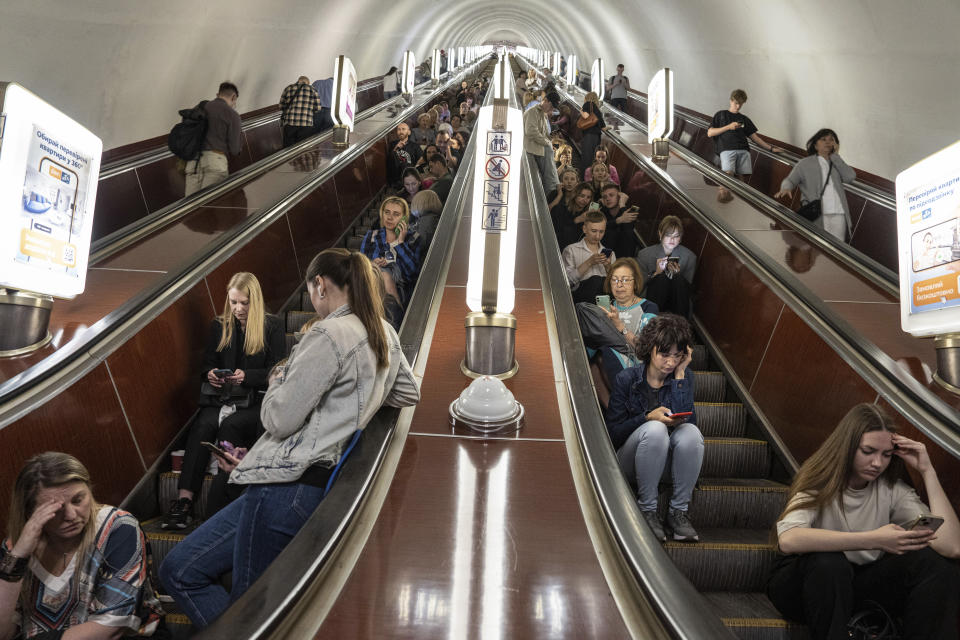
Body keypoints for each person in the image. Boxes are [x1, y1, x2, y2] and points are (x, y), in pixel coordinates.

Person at [160, 249, 421, 628]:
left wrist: (277, 377)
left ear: (319, 284)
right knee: (181, 568)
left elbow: (278, 418)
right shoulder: (385, 332)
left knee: (250, 617)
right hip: (291, 483)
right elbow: (406, 393)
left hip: (283, 491)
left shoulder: (328, 332)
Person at [767, 404, 960, 640]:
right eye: (868, 451)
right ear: (847, 448)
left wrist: (927, 470)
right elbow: (789, 540)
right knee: (829, 562)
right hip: (803, 586)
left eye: (886, 454)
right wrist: (874, 540)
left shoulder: (891, 490)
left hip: (854, 586)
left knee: (937, 564)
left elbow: (952, 546)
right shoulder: (820, 483)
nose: (877, 463)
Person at [162, 272, 284, 529]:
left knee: (232, 426)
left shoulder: (271, 326)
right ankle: (184, 500)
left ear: (255, 301)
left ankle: (223, 501)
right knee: (202, 427)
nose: (238, 309)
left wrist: (247, 376)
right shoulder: (220, 326)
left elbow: (277, 370)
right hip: (222, 397)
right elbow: (207, 363)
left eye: (244, 303)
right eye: (233, 302)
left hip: (254, 400)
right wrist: (211, 374)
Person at [1, 452, 163, 639]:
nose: (71, 515)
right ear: (30, 512)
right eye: (56, 509)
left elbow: (112, 626)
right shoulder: (15, 549)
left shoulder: (118, 527)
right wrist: (19, 555)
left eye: (78, 500)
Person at [606, 314, 701, 543]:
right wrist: (647, 417)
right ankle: (647, 510)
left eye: (677, 356)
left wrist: (679, 377)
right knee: (656, 429)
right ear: (650, 350)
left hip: (668, 462)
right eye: (665, 354)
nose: (670, 362)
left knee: (691, 433)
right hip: (631, 460)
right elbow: (613, 434)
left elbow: (690, 425)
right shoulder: (626, 379)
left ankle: (678, 512)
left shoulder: (683, 376)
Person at [774, 128, 857, 242]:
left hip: (838, 214)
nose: (828, 142)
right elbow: (791, 180)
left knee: (837, 249)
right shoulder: (805, 163)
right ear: (815, 145)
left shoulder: (837, 163)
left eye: (831, 139)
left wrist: (836, 156)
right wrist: (786, 187)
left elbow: (850, 177)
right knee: (817, 248)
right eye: (823, 139)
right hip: (817, 213)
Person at [707, 89, 781, 202]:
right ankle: (723, 194)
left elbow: (755, 137)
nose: (738, 106)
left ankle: (740, 201)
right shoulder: (721, 115)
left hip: (743, 150)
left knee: (741, 179)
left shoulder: (744, 119)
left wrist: (770, 148)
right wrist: (728, 127)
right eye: (736, 103)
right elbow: (710, 133)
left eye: (740, 104)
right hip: (727, 149)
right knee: (727, 174)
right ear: (731, 100)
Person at [594, 258, 658, 383]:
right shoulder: (606, 308)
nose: (619, 285)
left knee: (606, 351)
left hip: (635, 366)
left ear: (635, 283)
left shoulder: (648, 308)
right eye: (615, 280)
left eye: (624, 280)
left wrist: (620, 326)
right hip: (605, 364)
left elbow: (645, 348)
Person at [360, 196, 423, 305]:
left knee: (384, 275)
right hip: (371, 283)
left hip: (400, 289)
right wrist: (372, 264)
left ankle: (394, 314)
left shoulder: (414, 238)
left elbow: (412, 273)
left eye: (396, 214)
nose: (390, 217)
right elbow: (360, 265)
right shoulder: (371, 235)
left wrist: (400, 243)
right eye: (387, 212)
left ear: (404, 218)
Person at [185, 82, 242, 197]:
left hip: (193, 162)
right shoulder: (232, 115)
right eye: (234, 101)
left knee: (190, 209)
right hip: (215, 163)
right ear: (233, 97)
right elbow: (235, 149)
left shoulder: (200, 107)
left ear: (218, 94)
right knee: (210, 206)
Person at [636, 215, 697, 317]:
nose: (672, 239)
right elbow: (639, 287)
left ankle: (680, 325)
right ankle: (652, 321)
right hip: (653, 297)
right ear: (660, 234)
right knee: (661, 278)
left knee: (678, 279)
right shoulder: (645, 254)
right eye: (668, 235)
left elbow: (687, 292)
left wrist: (678, 275)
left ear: (680, 238)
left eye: (676, 236)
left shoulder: (689, 257)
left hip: (677, 301)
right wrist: (656, 273)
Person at [562, 210, 615, 304]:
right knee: (596, 280)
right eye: (594, 231)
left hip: (604, 300)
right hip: (580, 300)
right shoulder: (571, 250)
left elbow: (616, 285)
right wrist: (589, 262)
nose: (597, 236)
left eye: (601, 232)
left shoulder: (610, 254)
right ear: (584, 229)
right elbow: (566, 283)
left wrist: (608, 267)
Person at [524, 91, 560, 193]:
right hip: (533, 149)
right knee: (549, 170)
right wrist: (547, 142)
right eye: (552, 106)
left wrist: (549, 140)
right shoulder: (532, 112)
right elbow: (531, 131)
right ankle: (551, 190)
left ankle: (554, 188)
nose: (552, 110)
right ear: (546, 101)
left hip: (539, 147)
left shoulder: (542, 114)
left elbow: (543, 133)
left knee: (551, 166)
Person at [598, 182, 639, 259]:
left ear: (619, 196)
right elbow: (600, 227)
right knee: (610, 232)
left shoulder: (627, 211)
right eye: (604, 197)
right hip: (604, 255)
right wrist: (618, 221)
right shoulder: (601, 212)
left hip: (623, 256)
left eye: (611, 195)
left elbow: (628, 230)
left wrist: (622, 204)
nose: (607, 198)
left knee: (628, 233)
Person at [279, 75, 321, 148]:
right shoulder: (313, 89)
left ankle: (289, 159)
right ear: (308, 83)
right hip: (306, 123)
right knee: (303, 148)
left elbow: (281, 106)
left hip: (290, 123)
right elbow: (318, 108)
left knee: (288, 148)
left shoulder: (288, 88)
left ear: (298, 80)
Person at [552, 181, 595, 250]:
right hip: (561, 249)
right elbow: (559, 232)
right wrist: (577, 220)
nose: (585, 200)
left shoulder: (588, 213)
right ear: (575, 195)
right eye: (582, 196)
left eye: (588, 197)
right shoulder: (560, 209)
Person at [387, 122, 422, 188]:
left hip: (410, 179)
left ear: (409, 132)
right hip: (396, 180)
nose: (401, 131)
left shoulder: (415, 146)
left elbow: (421, 160)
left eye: (403, 129)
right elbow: (389, 162)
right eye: (399, 129)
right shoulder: (392, 145)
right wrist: (395, 149)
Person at [579, 91, 606, 174]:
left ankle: (584, 178)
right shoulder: (597, 110)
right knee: (593, 159)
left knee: (586, 159)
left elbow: (586, 116)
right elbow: (603, 128)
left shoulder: (588, 104)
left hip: (589, 137)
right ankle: (591, 178)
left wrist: (581, 111)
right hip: (596, 138)